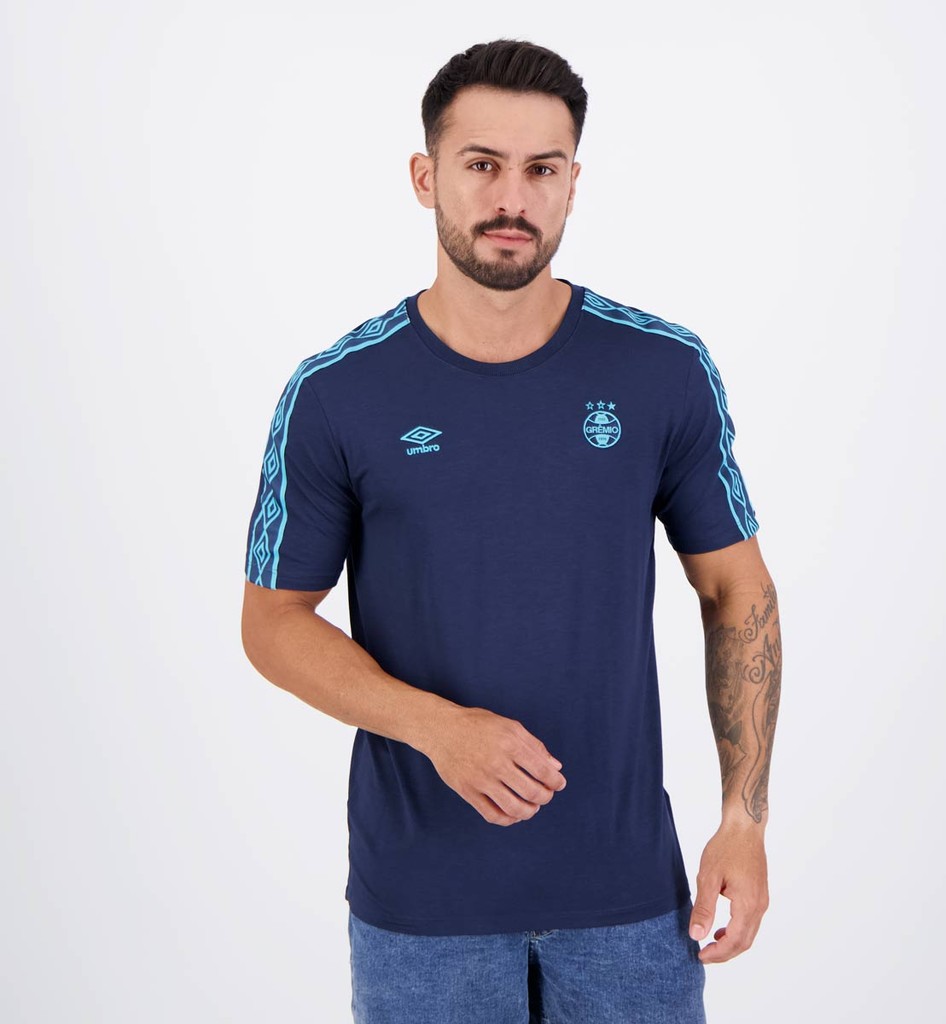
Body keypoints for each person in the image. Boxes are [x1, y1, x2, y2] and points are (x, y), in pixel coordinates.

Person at [241, 38, 782, 1024]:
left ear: (573, 184)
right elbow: (272, 623)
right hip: (422, 912)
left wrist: (742, 819)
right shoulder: (336, 393)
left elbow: (734, 586)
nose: (511, 198)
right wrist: (436, 728)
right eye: (482, 164)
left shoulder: (660, 371)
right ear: (425, 177)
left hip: (629, 902)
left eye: (541, 170)